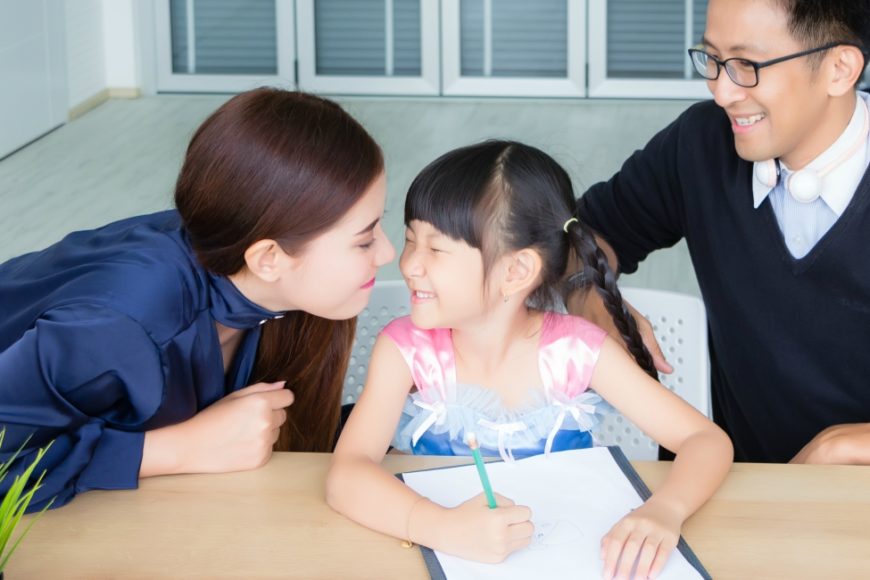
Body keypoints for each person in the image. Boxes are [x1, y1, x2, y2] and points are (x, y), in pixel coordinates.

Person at [326, 140, 732, 578]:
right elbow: (347, 475)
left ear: (516, 271)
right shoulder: (405, 350)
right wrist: (439, 526)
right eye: (410, 240)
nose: (409, 265)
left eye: (436, 249)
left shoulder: (579, 351)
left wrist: (665, 511)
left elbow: (706, 441)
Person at [0, 88, 395, 511]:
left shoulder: (282, 285)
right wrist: (178, 449)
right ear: (268, 258)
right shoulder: (121, 323)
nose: (388, 253)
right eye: (364, 240)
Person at [571, 0, 870, 465]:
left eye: (747, 65)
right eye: (713, 60)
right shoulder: (701, 144)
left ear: (839, 68)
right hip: (731, 486)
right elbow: (581, 232)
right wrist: (590, 295)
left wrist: (849, 445)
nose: (722, 91)